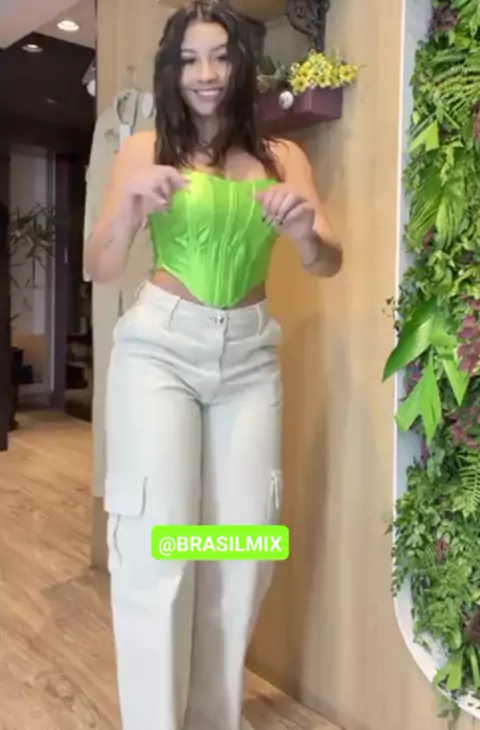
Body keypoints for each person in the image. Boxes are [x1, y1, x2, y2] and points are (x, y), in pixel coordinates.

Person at [84, 2, 342, 729]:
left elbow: (327, 260)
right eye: (190, 58)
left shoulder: (283, 158)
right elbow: (101, 265)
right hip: (160, 351)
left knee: (243, 549)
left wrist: (305, 234)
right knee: (160, 544)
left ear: (240, 66)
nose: (206, 73)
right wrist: (129, 209)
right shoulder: (144, 149)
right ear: (172, 71)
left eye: (220, 56)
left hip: (250, 359)